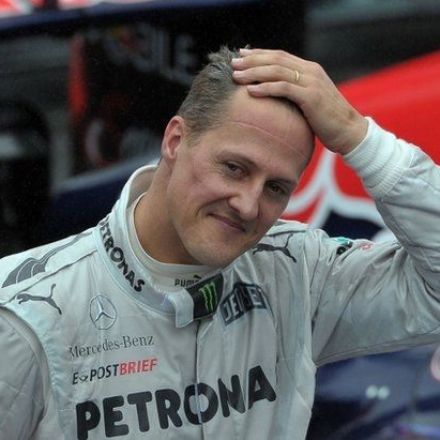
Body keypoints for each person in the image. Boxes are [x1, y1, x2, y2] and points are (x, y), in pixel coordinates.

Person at [0, 46, 439, 440]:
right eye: (234, 168)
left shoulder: (299, 273)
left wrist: (358, 137)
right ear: (175, 140)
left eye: (275, 188)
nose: (248, 205)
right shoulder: (26, 314)